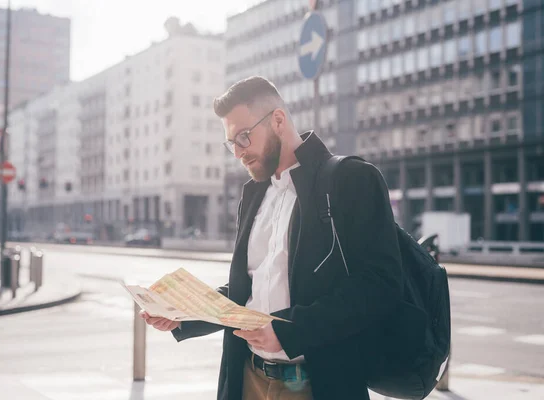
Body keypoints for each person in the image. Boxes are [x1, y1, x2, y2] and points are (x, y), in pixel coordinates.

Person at [142, 76, 403, 400]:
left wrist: (288, 330)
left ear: (278, 120)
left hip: (318, 384)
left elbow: (381, 285)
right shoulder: (252, 194)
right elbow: (246, 294)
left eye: (244, 137)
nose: (238, 152)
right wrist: (181, 314)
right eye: (231, 143)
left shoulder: (352, 180)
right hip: (247, 379)